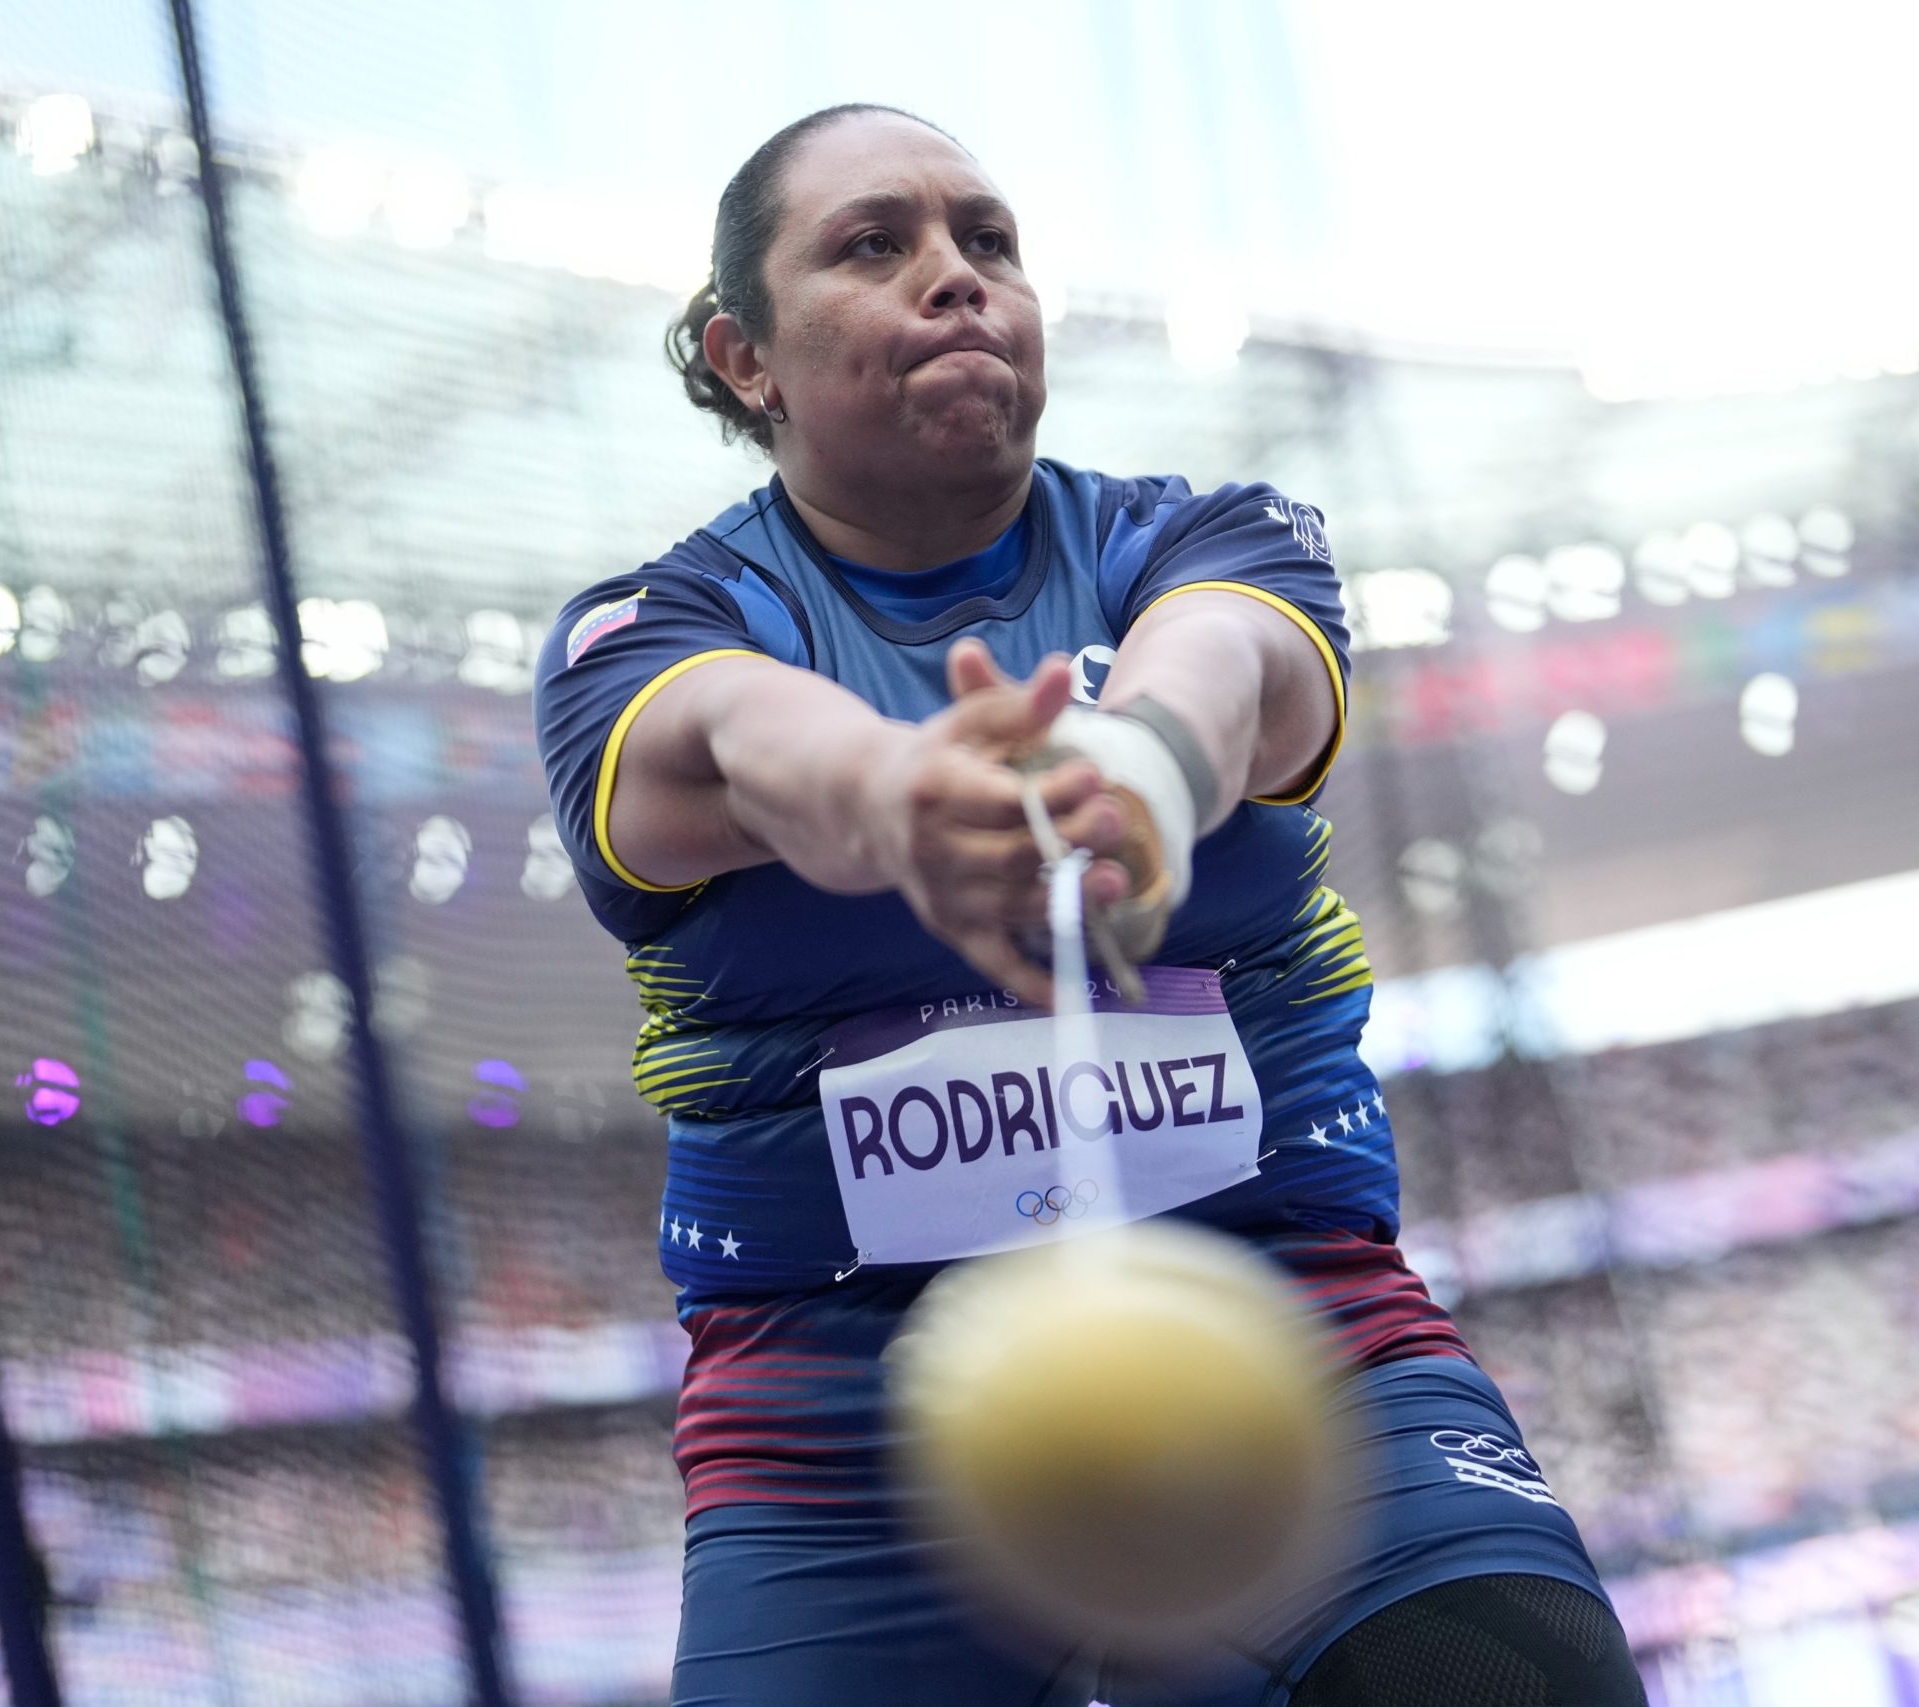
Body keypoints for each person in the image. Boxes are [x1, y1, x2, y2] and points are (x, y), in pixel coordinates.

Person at [534, 103, 1648, 1707]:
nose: (956, 278)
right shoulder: (648, 630)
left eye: (988, 242)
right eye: (875, 244)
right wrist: (901, 802)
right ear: (743, 354)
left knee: (1515, 1677)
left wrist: (1135, 769)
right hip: (844, 1402)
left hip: (1278, 1311)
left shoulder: (1208, 537)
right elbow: (739, 743)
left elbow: (1234, 672)